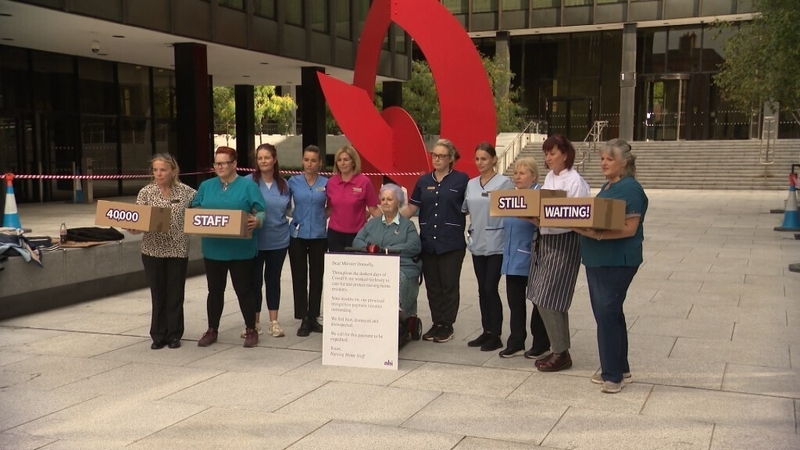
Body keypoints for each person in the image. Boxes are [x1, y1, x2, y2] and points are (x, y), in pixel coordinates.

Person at [572, 139, 648, 394]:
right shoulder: (609, 185)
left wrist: (597, 235)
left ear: (624, 162)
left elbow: (630, 228)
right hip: (598, 259)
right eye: (602, 158)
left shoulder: (630, 189)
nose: (603, 163)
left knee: (606, 314)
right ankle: (620, 367)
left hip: (615, 261)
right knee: (612, 314)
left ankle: (612, 376)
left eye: (609, 159)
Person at [527, 134, 590, 372]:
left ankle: (560, 351)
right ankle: (559, 348)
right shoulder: (550, 178)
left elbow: (579, 216)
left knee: (549, 297)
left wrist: (549, 218)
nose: (549, 158)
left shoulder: (575, 181)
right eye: (546, 154)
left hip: (565, 241)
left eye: (553, 153)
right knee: (545, 297)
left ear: (565, 154)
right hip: (545, 239)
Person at [192, 146, 266, 348]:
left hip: (240, 249)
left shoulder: (248, 186)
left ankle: (251, 329)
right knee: (214, 290)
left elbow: (261, 210)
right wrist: (197, 214)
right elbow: (195, 207)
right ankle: (212, 329)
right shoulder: (206, 186)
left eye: (224, 163)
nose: (220, 166)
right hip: (214, 248)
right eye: (217, 163)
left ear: (234, 164)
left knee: (244, 289)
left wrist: (257, 220)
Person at [401, 139, 469, 344]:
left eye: (441, 156)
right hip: (429, 242)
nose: (437, 159)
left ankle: (447, 324)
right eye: (434, 155)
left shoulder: (461, 180)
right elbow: (412, 208)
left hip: (452, 242)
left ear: (450, 159)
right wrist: (390, 219)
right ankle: (437, 322)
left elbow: (471, 205)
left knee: (448, 284)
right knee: (432, 285)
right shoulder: (423, 181)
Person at [128, 154, 196, 350]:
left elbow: (202, 205)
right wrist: (133, 227)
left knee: (175, 292)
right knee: (158, 293)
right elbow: (137, 219)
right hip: (152, 250)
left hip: (177, 249)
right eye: (155, 170)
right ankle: (158, 334)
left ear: (173, 171)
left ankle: (174, 334)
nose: (158, 173)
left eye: (163, 170)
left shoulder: (186, 192)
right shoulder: (146, 193)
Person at [353, 184, 422, 342]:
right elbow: (357, 240)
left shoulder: (407, 225)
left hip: (401, 266)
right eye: (383, 199)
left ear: (398, 202)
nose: (385, 202)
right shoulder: (372, 223)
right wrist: (368, 247)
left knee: (396, 279)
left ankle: (394, 314)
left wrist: (387, 249)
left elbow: (414, 246)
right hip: (375, 266)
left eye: (389, 199)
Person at [462, 142, 513, 352]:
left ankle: (497, 334)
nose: (480, 163)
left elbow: (511, 210)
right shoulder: (472, 184)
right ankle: (486, 330)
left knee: (491, 288)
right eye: (477, 159)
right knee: (481, 289)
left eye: (484, 158)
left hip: (496, 242)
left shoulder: (504, 183)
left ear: (493, 159)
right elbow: (465, 208)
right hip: (477, 241)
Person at [498, 157, 551, 359]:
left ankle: (541, 342)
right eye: (516, 173)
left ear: (534, 175)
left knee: (538, 302)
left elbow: (547, 224)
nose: (517, 177)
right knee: (515, 302)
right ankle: (516, 341)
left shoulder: (540, 196)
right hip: (512, 258)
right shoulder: (511, 196)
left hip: (534, 258)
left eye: (522, 173)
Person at [248, 143, 290, 339]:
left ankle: (274, 322)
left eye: (267, 157)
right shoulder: (248, 182)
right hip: (255, 241)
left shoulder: (284, 184)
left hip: (278, 241)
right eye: (259, 158)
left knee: (273, 281)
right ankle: (254, 323)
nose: (263, 161)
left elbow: (290, 211)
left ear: (274, 159)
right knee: (254, 282)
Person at [288, 145, 328, 337]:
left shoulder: (326, 183)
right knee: (299, 276)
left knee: (317, 276)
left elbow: (334, 206)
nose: (309, 164)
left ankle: (314, 316)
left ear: (320, 163)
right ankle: (303, 317)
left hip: (319, 236)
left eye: (313, 160)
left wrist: (322, 216)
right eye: (306, 160)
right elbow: (284, 204)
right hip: (297, 235)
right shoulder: (293, 182)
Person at [325, 145, 380, 252]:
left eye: (346, 159)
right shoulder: (331, 182)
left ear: (353, 162)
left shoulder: (364, 182)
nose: (342, 163)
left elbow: (374, 209)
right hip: (335, 235)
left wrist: (389, 224)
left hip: (358, 235)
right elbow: (330, 208)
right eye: (339, 160)